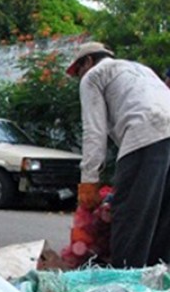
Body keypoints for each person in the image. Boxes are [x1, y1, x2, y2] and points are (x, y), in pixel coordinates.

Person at [67, 41, 170, 268]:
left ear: (89, 61)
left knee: (129, 219)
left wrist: (89, 181)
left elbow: (93, 132)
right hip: (161, 132)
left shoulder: (93, 76)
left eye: (78, 70)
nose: (79, 77)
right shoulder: (141, 69)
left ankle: (124, 287)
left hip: (146, 134)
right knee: (161, 222)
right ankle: (158, 291)